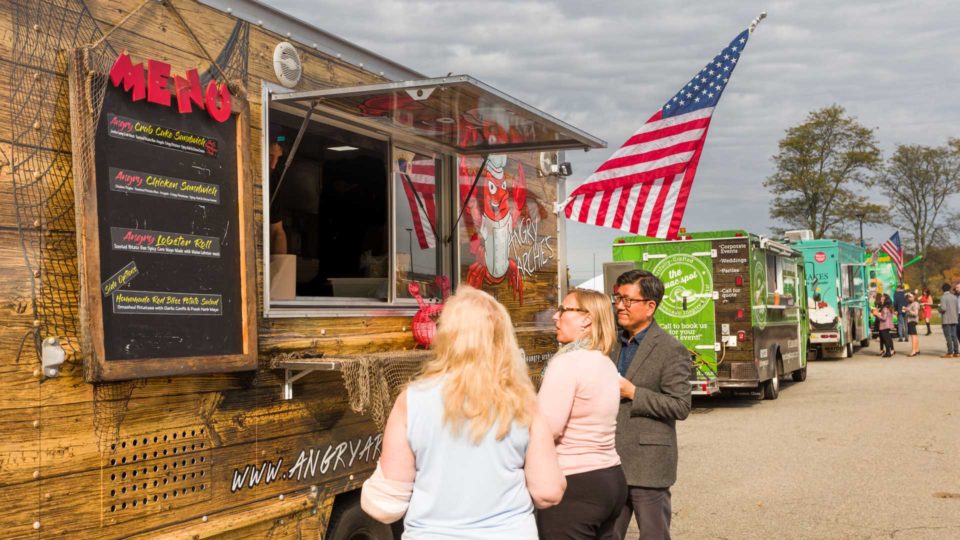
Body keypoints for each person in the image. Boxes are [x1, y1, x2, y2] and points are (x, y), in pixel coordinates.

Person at [361, 286, 566, 538]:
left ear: (446, 336)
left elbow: (386, 505)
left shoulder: (411, 400)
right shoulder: (523, 400)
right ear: (502, 338)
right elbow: (548, 492)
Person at [536, 289, 628, 540]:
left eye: (564, 310)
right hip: (610, 478)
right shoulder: (604, 361)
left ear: (587, 319)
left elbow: (546, 429)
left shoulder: (567, 363)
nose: (556, 316)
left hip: (575, 484)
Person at [609, 270, 692, 540]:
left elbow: (680, 406)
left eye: (628, 300)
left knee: (654, 535)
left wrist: (633, 393)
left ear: (650, 306)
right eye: (618, 298)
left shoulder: (671, 349)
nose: (620, 305)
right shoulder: (610, 343)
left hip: (649, 465)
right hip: (609, 460)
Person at [268, 141, 288, 254]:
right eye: (270, 156)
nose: (273, 164)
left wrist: (281, 269)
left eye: (278, 158)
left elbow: (277, 230)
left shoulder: (274, 179)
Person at [938, 283, 958, 358]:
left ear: (943, 289)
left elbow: (943, 309)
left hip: (946, 320)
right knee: (954, 336)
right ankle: (957, 352)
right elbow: (956, 308)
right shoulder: (954, 297)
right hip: (954, 318)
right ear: (949, 289)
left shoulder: (943, 297)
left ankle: (950, 352)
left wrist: (939, 309)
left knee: (948, 336)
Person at [904, 292, 920, 357]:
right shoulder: (910, 303)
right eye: (908, 297)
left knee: (913, 335)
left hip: (912, 321)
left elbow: (915, 313)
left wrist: (907, 310)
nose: (909, 298)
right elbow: (905, 296)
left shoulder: (915, 303)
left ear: (914, 297)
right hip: (910, 320)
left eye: (910, 297)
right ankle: (916, 349)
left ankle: (913, 351)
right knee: (915, 335)